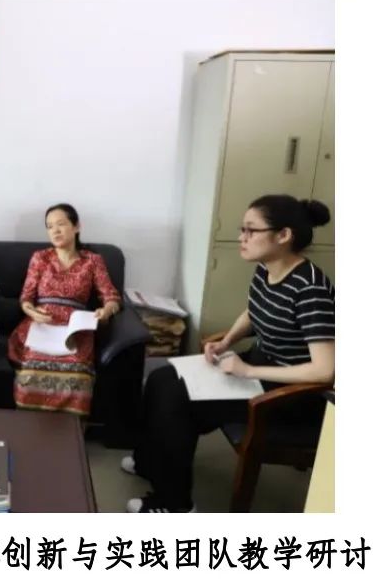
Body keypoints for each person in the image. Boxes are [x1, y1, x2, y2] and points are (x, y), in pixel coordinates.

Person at [123, 194, 334, 512]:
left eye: (251, 230)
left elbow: (324, 370)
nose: (241, 237)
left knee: (175, 399)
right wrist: (227, 342)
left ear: (283, 235)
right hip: (260, 367)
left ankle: (175, 504)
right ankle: (150, 462)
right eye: (241, 229)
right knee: (160, 378)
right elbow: (253, 311)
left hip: (291, 394)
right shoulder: (266, 269)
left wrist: (248, 371)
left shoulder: (310, 289)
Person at [8, 203, 121, 415]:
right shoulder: (40, 258)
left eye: (60, 224)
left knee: (78, 372)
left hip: (74, 328)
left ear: (76, 226)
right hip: (42, 323)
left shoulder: (92, 261)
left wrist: (105, 311)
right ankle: (28, 426)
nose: (55, 231)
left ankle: (70, 430)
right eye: (50, 227)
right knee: (31, 368)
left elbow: (111, 296)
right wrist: (32, 312)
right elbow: (26, 297)